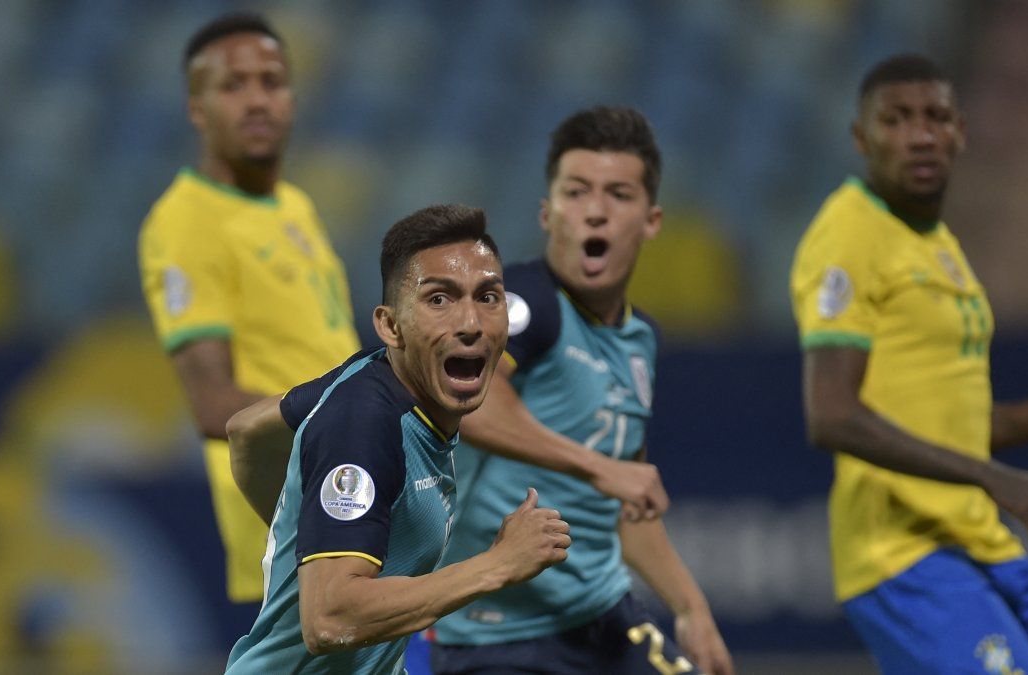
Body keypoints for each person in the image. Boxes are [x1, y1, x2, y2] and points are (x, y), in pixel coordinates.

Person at [274, 107, 732, 674]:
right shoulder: (521, 308)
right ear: (548, 212)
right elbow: (477, 404)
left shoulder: (640, 340)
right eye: (576, 192)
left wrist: (690, 607)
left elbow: (628, 499)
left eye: (618, 194)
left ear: (651, 219)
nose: (595, 211)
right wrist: (595, 467)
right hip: (494, 635)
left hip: (600, 614)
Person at [791, 53, 1028, 674]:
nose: (920, 135)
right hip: (901, 557)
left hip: (981, 542)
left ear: (960, 133)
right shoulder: (848, 236)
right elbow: (833, 416)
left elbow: (942, 419)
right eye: (896, 119)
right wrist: (990, 476)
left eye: (936, 117)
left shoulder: (938, 244)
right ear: (861, 138)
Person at [224, 204, 571, 674]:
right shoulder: (364, 421)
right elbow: (329, 619)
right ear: (390, 326)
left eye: (489, 297)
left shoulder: (375, 376)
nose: (471, 323)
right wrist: (499, 564)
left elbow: (246, 430)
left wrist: (319, 527)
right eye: (439, 300)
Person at [137, 12, 361, 605]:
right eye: (233, 85)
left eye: (272, 81)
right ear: (197, 108)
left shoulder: (294, 206)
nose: (257, 99)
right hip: (290, 526)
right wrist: (354, 427)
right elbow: (213, 403)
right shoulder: (187, 223)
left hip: (350, 501)